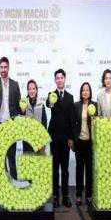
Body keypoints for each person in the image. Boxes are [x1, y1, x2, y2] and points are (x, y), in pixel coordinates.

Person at [46, 68, 75, 208]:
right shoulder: (51, 95)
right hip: (54, 138)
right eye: (57, 78)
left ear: (65, 79)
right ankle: (55, 196)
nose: (59, 80)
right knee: (54, 168)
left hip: (66, 139)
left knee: (65, 169)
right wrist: (51, 101)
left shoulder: (70, 97)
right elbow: (48, 104)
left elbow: (71, 119)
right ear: (55, 80)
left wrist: (71, 138)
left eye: (61, 77)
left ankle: (65, 196)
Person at [0, 57, 21, 178]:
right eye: (1, 67)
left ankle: (14, 184)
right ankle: (2, 184)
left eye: (5, 67)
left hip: (11, 125)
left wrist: (21, 110)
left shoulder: (15, 84)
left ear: (8, 68)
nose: (3, 69)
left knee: (11, 157)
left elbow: (18, 104)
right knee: (0, 157)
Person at [72, 82, 97, 206]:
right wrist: (72, 139)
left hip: (90, 143)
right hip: (79, 142)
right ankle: (78, 195)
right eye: (83, 90)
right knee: (79, 169)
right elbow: (72, 123)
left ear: (90, 92)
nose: (85, 92)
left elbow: (98, 123)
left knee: (89, 170)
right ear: (81, 92)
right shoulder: (76, 105)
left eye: (87, 90)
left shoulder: (94, 105)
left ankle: (89, 195)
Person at [23, 79, 47, 153]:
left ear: (36, 90)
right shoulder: (23, 104)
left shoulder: (41, 105)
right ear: (27, 90)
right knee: (27, 159)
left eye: (33, 88)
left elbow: (44, 123)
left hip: (38, 139)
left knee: (38, 159)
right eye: (29, 89)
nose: (31, 91)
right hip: (27, 139)